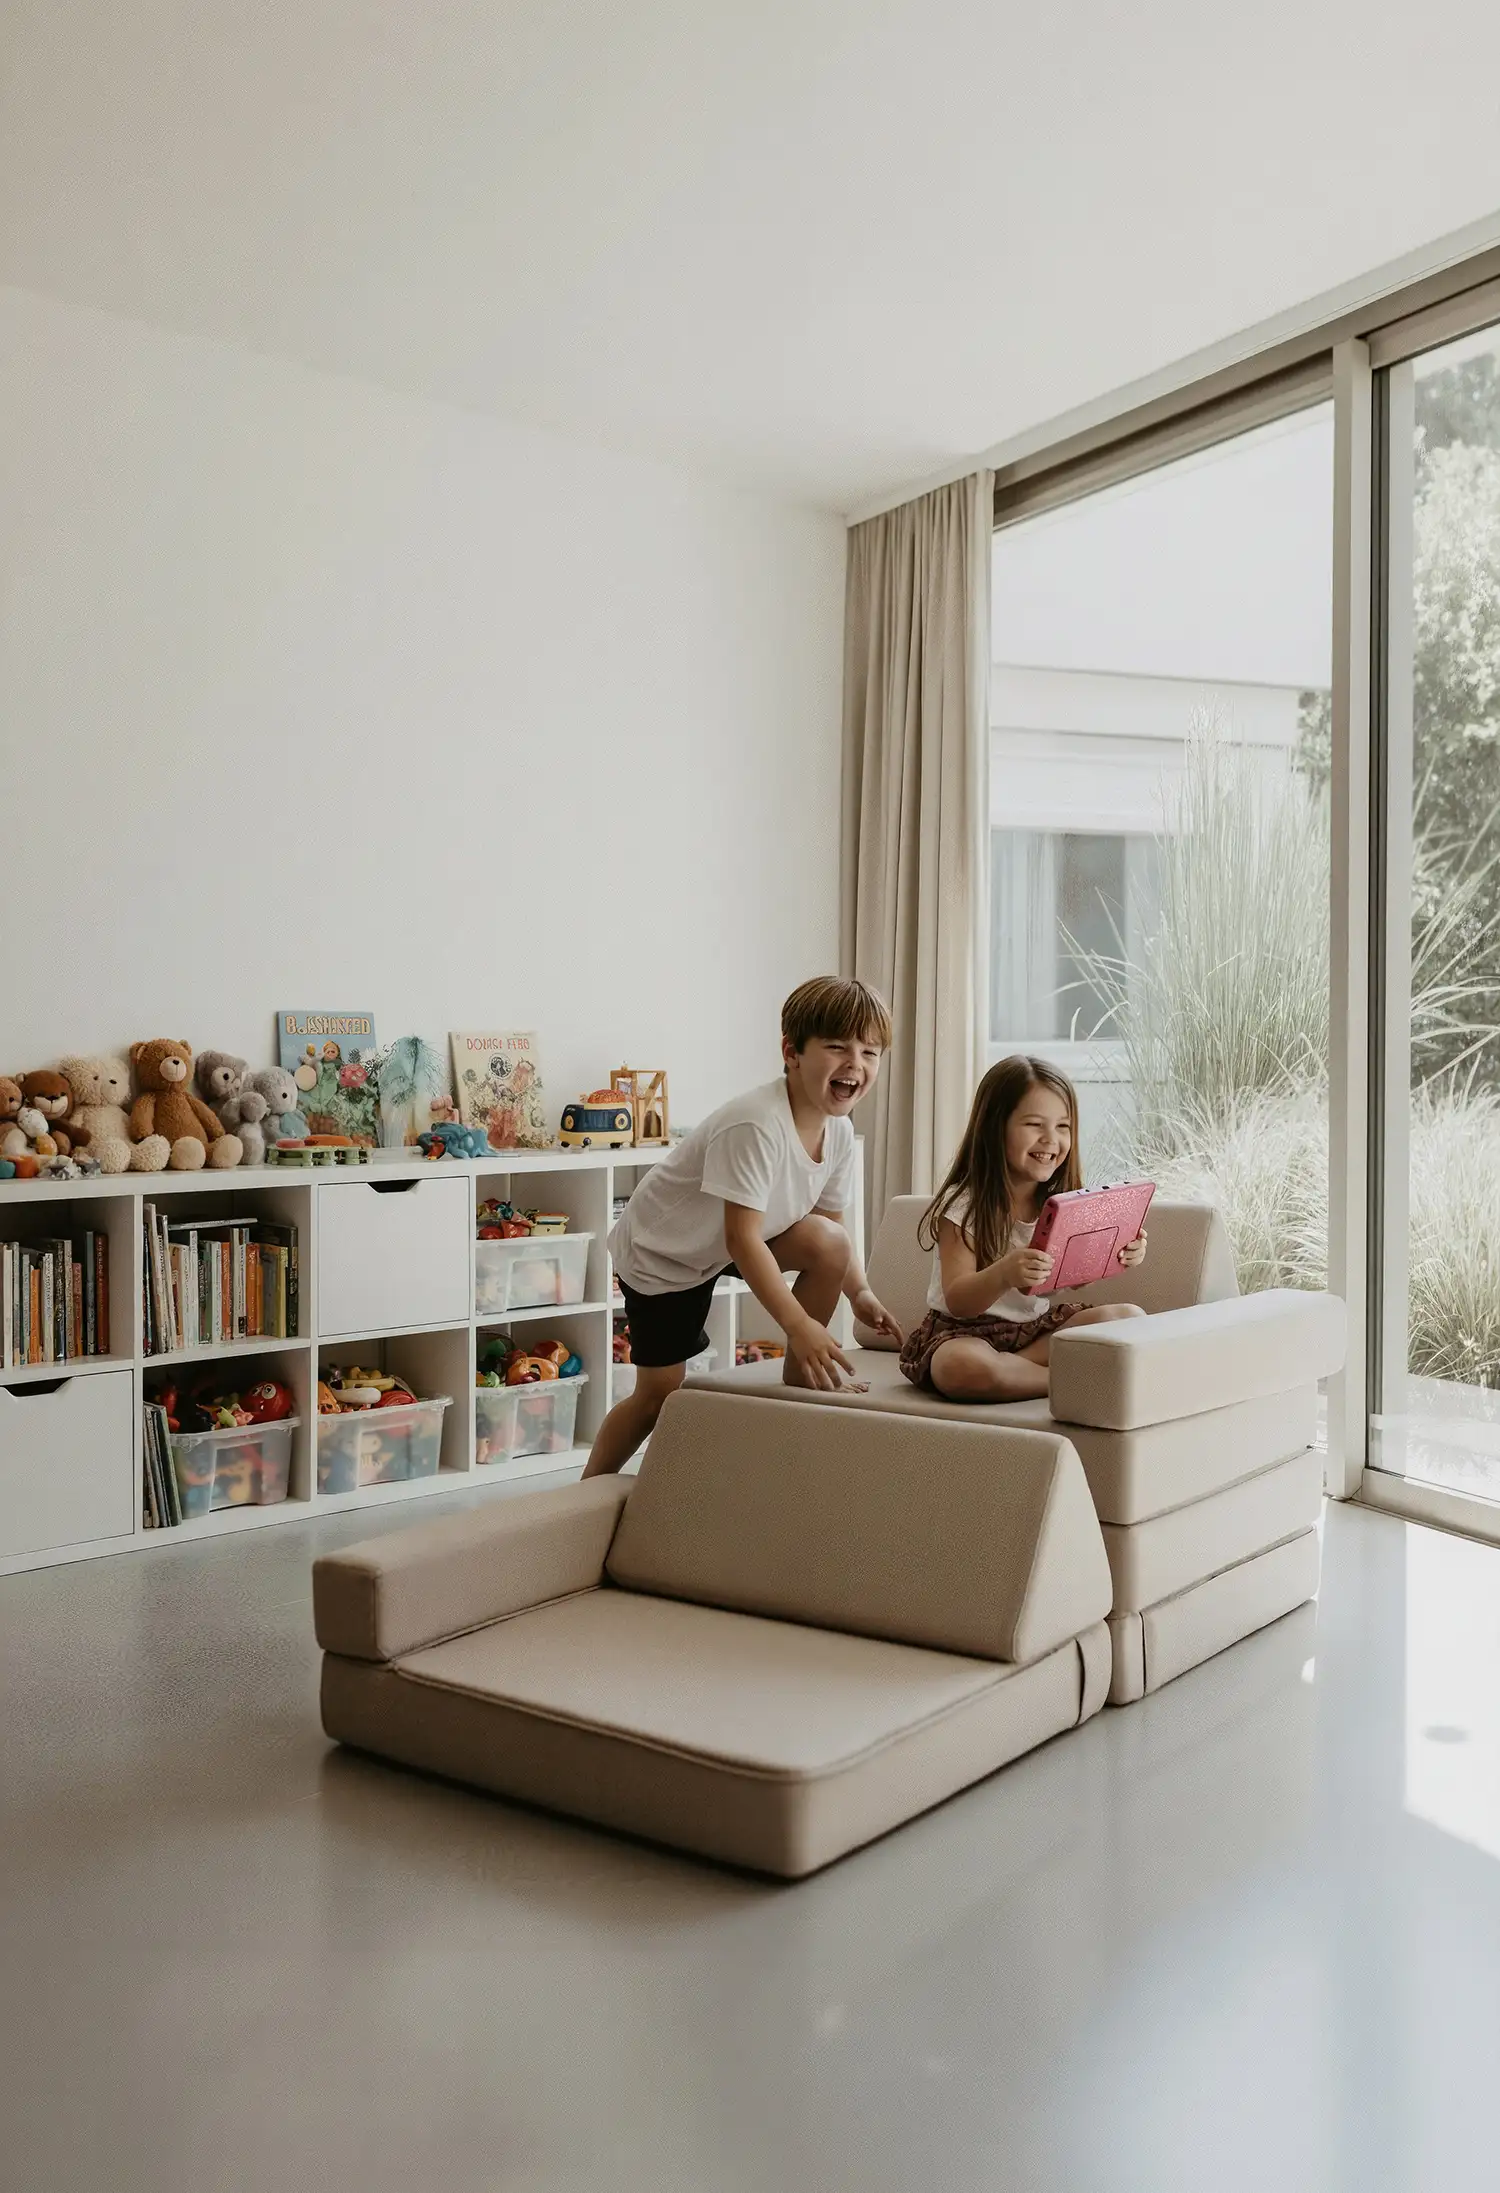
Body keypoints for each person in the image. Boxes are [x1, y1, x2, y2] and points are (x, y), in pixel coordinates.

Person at [582, 975, 902, 1477]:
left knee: (829, 1242)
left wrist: (858, 1292)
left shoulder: (838, 1131)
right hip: (666, 1253)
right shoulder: (756, 1124)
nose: (855, 1065)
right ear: (791, 1052)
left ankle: (806, 1373)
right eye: (837, 1047)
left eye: (870, 1051)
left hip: (729, 1241)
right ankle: (588, 1489)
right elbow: (741, 1238)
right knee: (658, 1395)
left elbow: (828, 1225)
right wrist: (799, 1325)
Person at [899, 1054, 1148, 1404]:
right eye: (1034, 1125)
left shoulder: (1061, 1201)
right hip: (966, 1335)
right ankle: (1070, 1383)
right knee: (961, 1366)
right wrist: (1003, 1273)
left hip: (1033, 1334)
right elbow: (958, 1300)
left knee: (1130, 1319)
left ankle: (1013, 1371)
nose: (1051, 1139)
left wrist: (1119, 1251)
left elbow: (1074, 1277)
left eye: (1063, 1127)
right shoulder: (963, 1205)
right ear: (994, 1127)